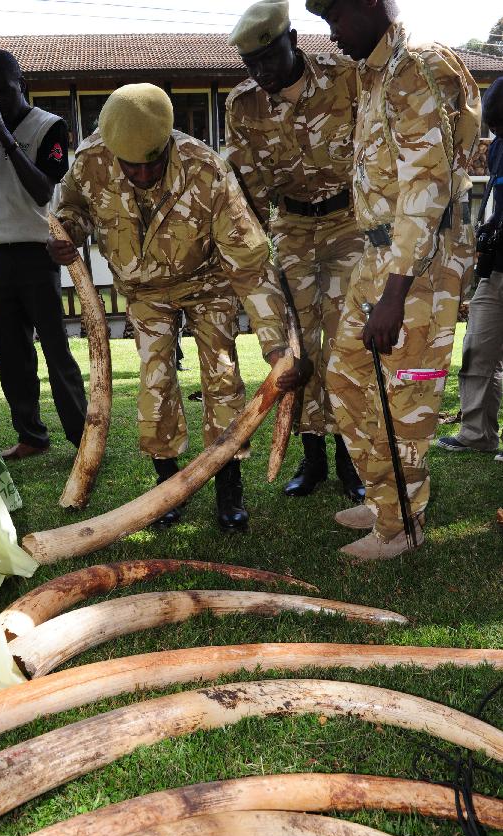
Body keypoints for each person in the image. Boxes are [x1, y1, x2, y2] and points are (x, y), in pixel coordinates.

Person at [49, 83, 302, 531]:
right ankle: (166, 491)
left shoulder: (206, 170)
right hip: (144, 292)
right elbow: (73, 209)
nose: (143, 176)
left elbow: (248, 264)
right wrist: (66, 233)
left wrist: (275, 347)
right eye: (131, 168)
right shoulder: (89, 163)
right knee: (155, 381)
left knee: (222, 376)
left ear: (167, 141)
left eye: (152, 164)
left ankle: (229, 491)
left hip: (208, 282)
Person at [307, 0, 481, 559]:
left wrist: (396, 294)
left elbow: (426, 191)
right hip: (379, 258)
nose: (332, 34)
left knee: (406, 396)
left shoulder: (416, 68)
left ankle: (402, 524)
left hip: (420, 268)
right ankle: (386, 498)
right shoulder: (375, 74)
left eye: (336, 18)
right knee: (346, 377)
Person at [225, 0, 364, 504]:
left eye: (268, 59)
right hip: (291, 231)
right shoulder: (243, 105)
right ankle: (313, 458)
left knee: (346, 342)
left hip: (348, 223)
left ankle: (353, 457)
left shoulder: (345, 77)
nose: (260, 72)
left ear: (294, 41)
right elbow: (247, 189)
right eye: (251, 64)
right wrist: (262, 249)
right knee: (299, 347)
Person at [0, 49, 86, 461]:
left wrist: (4, 136)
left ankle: (82, 436)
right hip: (0, 252)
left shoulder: (49, 126)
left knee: (56, 349)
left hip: (39, 253)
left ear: (23, 84)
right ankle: (31, 436)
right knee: (10, 352)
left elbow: (43, 191)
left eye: (1, 91)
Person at [436, 77, 503, 463]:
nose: (495, 135)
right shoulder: (497, 151)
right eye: (493, 129)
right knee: (478, 347)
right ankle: (478, 433)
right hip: (494, 268)